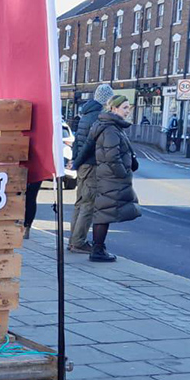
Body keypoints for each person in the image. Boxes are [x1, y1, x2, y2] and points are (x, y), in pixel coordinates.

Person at [76, 95, 141, 263]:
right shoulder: (111, 129)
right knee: (104, 213)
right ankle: (97, 250)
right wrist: (123, 174)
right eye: (125, 108)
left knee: (105, 212)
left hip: (107, 176)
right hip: (111, 178)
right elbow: (112, 156)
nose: (128, 111)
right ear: (113, 109)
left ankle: (99, 247)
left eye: (129, 108)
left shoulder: (110, 126)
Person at [67, 84, 113, 253]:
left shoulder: (85, 114)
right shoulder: (99, 117)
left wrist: (75, 161)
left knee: (80, 202)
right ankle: (78, 242)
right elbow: (91, 144)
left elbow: (78, 141)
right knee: (88, 204)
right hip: (92, 164)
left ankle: (73, 240)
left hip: (82, 165)